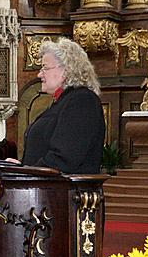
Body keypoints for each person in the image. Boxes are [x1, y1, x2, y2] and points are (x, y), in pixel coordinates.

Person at [20, 37, 105, 173]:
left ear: (66, 70)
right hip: (46, 188)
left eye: (45, 68)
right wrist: (20, 167)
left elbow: (64, 159)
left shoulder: (82, 101)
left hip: (66, 192)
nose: (39, 74)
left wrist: (25, 172)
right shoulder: (63, 101)